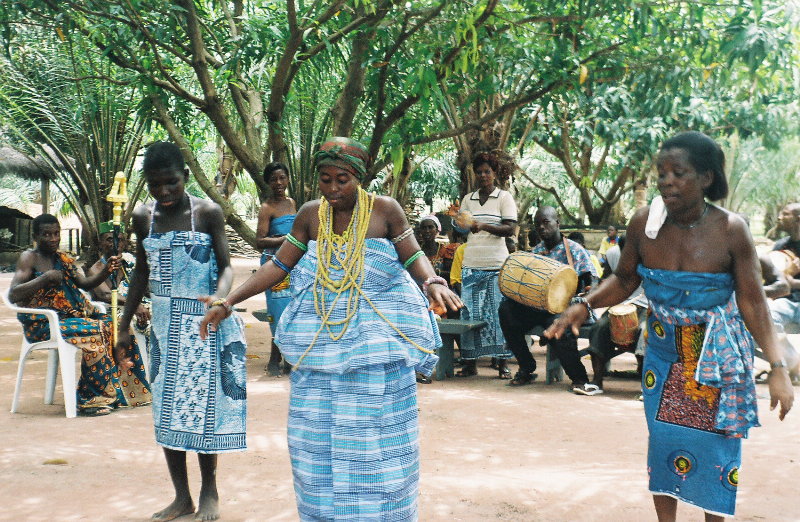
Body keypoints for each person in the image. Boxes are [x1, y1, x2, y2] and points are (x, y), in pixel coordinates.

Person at [199, 137, 462, 520]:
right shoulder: (310, 215)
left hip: (377, 344)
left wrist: (432, 282)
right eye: (325, 180)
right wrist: (229, 301)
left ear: (359, 178)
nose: (334, 189)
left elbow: (414, 255)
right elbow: (278, 266)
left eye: (343, 180)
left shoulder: (385, 211)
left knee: (377, 440)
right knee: (314, 440)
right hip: (319, 343)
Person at [546, 131, 794, 520]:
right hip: (663, 355)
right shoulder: (644, 223)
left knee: (715, 450)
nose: (667, 181)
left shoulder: (732, 230)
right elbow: (626, 279)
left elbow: (753, 302)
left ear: (706, 178)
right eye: (662, 173)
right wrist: (584, 304)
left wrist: (778, 369)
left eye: (679, 173)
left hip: (714, 355)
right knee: (665, 444)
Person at [114, 141, 247, 522]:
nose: (163, 192)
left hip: (206, 326)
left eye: (171, 182)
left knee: (205, 410)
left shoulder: (208, 212)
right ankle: (181, 497)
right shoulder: (143, 216)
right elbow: (141, 271)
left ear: (185, 176)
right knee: (168, 411)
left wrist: (221, 301)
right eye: (155, 185)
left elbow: (226, 267)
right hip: (164, 327)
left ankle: (209, 491)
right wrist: (123, 327)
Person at [9, 214, 150, 416]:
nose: (52, 239)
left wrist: (106, 270)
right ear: (35, 236)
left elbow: (85, 284)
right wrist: (45, 279)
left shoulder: (63, 259)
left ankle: (129, 393)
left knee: (117, 324)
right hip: (43, 324)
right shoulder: (29, 257)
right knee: (97, 329)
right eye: (46, 234)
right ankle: (90, 399)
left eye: (56, 233)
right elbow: (14, 294)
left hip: (71, 319)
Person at [498, 206, 599, 394]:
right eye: (538, 225)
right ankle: (526, 367)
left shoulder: (576, 250)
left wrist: (587, 293)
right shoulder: (536, 252)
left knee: (560, 328)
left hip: (566, 308)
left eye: (546, 222)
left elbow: (592, 280)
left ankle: (579, 378)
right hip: (539, 307)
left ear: (557, 223)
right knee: (506, 310)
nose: (541, 228)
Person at [456, 152, 518, 379]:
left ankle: (502, 363)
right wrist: (461, 223)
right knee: (469, 313)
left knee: (498, 314)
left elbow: (510, 228)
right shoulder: (468, 199)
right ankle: (470, 362)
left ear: (495, 173)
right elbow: (462, 229)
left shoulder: (504, 197)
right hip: (471, 262)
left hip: (497, 264)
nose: (483, 175)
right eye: (479, 172)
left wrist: (483, 225)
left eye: (487, 172)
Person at [586, 234, 649, 391]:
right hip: (619, 306)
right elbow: (605, 279)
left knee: (644, 332)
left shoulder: (651, 256)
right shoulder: (613, 254)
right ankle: (597, 381)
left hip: (647, 306)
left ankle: (645, 388)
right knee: (598, 327)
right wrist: (593, 292)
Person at [256, 162, 297, 377]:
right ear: (268, 182)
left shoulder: (292, 203)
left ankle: (288, 357)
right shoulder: (267, 208)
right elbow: (259, 241)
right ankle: (274, 356)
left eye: (282, 178)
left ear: (288, 179)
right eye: (274, 179)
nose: (279, 183)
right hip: (274, 265)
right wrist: (287, 240)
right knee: (277, 310)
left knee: (293, 309)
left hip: (295, 264)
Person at [87, 222, 151, 335]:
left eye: (120, 239)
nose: (116, 243)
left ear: (125, 243)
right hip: (115, 309)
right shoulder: (95, 270)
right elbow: (106, 295)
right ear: (101, 243)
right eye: (110, 239)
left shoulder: (130, 260)